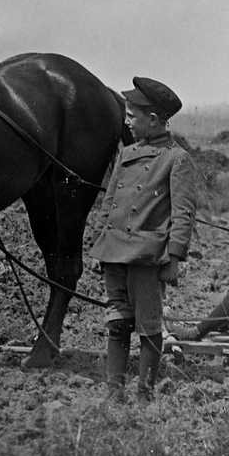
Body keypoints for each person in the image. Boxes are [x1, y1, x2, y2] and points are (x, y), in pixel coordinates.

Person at [90, 77, 197, 401]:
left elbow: (183, 214)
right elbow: (109, 201)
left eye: (132, 116)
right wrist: (99, 241)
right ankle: (114, 389)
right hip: (114, 252)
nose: (126, 121)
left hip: (146, 256)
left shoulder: (176, 159)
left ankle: (144, 392)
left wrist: (174, 258)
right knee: (118, 320)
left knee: (149, 325)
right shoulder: (126, 154)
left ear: (152, 120)